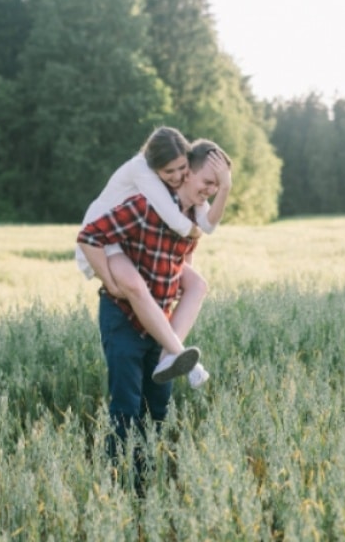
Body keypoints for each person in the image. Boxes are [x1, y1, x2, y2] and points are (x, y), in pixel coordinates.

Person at [77, 139, 227, 473]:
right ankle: (119, 482)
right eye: (207, 181)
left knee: (157, 410)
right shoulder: (144, 205)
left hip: (160, 324)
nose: (210, 190)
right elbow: (89, 236)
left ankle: (145, 483)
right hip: (124, 319)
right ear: (186, 174)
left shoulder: (192, 220)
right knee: (126, 408)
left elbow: (184, 265)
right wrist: (110, 282)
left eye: (217, 186)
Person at [75, 127, 231, 387]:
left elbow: (207, 226)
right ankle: (183, 357)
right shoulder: (143, 171)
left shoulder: (186, 189)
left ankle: (169, 355)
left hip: (121, 239)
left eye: (181, 168)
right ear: (155, 167)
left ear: (187, 163)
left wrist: (225, 186)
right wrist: (111, 284)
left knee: (198, 285)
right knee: (134, 285)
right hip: (103, 241)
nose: (177, 176)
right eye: (169, 171)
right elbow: (177, 223)